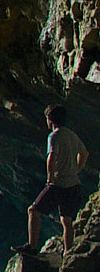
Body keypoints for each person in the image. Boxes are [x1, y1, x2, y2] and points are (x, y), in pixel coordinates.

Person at [18, 104, 89, 256]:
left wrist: (51, 177)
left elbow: (51, 157)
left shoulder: (54, 136)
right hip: (73, 184)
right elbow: (84, 153)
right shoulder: (71, 135)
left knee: (33, 211)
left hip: (58, 184)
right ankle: (68, 253)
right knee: (67, 221)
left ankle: (32, 247)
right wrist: (77, 169)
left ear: (50, 120)